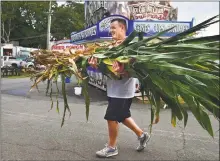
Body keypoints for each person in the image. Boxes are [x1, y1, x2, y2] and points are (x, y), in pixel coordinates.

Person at [88, 18, 151, 158]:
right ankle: (142, 135)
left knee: (111, 117)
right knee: (122, 115)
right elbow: (108, 67)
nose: (111, 31)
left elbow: (134, 68)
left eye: (113, 28)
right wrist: (96, 64)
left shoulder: (130, 46)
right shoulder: (111, 46)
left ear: (122, 28)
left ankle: (112, 147)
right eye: (110, 28)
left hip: (123, 91)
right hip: (113, 88)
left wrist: (123, 70)